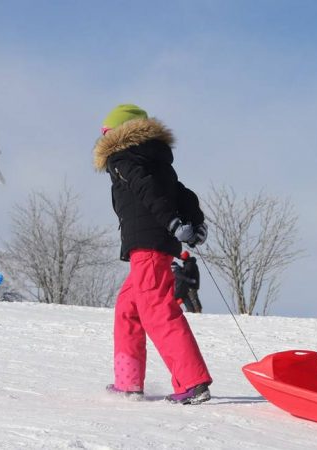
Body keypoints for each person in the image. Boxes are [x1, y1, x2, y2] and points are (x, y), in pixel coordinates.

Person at [93, 104, 211, 405]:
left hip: (147, 245)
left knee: (157, 309)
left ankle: (192, 382)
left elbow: (147, 190)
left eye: (106, 132)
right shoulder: (153, 159)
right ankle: (128, 382)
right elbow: (182, 193)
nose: (102, 138)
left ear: (119, 133)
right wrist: (196, 223)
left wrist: (174, 223)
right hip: (153, 244)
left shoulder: (122, 158)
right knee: (128, 308)